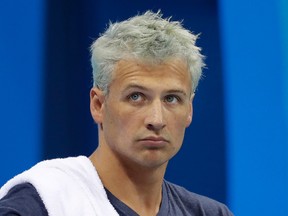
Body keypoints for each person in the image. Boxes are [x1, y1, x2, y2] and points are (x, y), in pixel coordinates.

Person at [0, 11, 233, 216]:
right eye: (136, 96)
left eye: (171, 99)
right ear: (98, 105)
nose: (156, 120)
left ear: (189, 110)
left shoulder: (210, 213)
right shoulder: (43, 202)